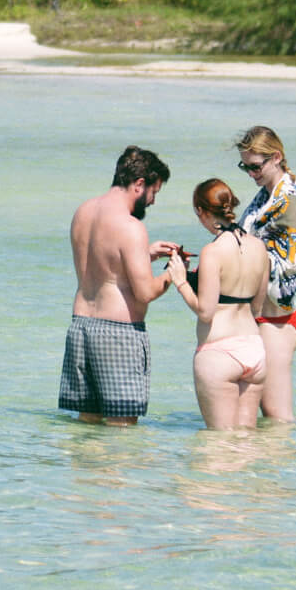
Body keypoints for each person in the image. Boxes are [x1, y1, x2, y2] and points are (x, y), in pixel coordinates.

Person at [58, 145, 178, 426]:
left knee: (87, 426)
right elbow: (146, 292)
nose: (152, 201)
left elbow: (102, 262)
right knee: (122, 429)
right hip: (118, 334)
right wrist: (174, 273)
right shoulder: (130, 226)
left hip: (81, 328)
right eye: (154, 192)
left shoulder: (83, 212)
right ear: (139, 184)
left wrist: (143, 253)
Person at [163, 178, 270, 430]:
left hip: (219, 353)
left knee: (218, 444)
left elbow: (206, 311)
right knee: (245, 444)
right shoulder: (259, 248)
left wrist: (181, 281)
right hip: (253, 349)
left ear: (201, 211)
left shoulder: (212, 251)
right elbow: (257, 307)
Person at [234, 126, 296, 424]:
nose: (251, 174)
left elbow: (290, 275)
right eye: (245, 167)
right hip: (258, 316)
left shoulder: (289, 201)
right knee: (261, 421)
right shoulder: (264, 196)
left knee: (278, 419)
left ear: (276, 157)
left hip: (276, 319)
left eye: (255, 166)